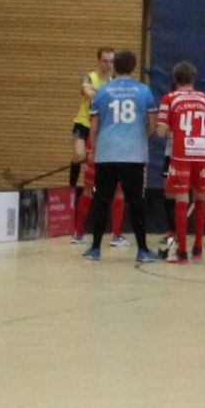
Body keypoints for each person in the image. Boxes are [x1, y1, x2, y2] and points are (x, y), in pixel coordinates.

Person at [85, 49, 160, 266]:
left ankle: (95, 248)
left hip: (107, 154)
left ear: (114, 66)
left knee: (102, 201)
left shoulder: (103, 91)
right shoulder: (144, 91)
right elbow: (153, 124)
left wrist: (94, 150)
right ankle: (143, 250)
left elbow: (94, 126)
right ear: (134, 67)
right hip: (134, 155)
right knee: (136, 202)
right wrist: (140, 135)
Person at [153, 61, 205, 263]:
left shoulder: (169, 99)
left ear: (175, 79)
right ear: (194, 78)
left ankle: (181, 252)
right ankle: (198, 249)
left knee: (181, 201)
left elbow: (161, 132)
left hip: (181, 155)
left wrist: (170, 126)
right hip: (202, 155)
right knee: (201, 198)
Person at [70, 46, 115, 224]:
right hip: (83, 124)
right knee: (79, 155)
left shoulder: (114, 81)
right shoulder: (90, 77)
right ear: (99, 62)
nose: (108, 65)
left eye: (111, 61)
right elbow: (88, 93)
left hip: (101, 128)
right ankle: (71, 187)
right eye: (105, 61)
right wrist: (106, 95)